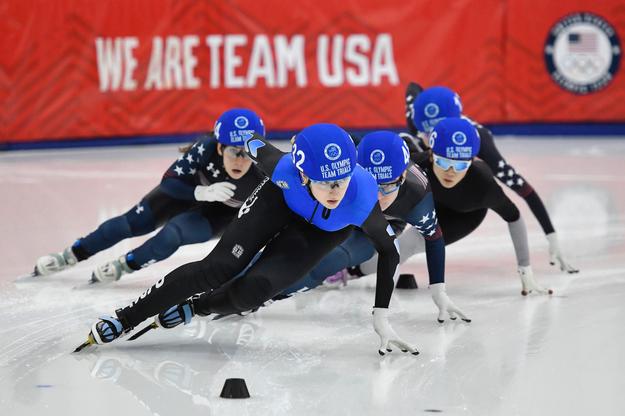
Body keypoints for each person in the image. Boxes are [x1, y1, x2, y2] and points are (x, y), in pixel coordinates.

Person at [78, 123, 418, 356]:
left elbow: (389, 253)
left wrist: (381, 318)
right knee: (219, 267)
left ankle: (195, 308)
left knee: (254, 291)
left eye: (342, 180)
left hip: (319, 233)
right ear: (301, 173)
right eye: (325, 182)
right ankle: (126, 317)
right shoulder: (282, 169)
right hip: (278, 202)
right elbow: (253, 141)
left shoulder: (361, 200)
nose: (335, 191)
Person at [31, 108, 266, 283]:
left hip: (223, 214)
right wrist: (200, 191)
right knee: (130, 223)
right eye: (235, 151)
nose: (241, 160)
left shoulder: (266, 169)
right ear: (219, 148)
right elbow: (169, 182)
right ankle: (70, 255)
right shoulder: (204, 149)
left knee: (172, 235)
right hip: (189, 192)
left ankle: (124, 266)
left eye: (247, 154)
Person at [275, 130, 469, 323]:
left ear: (402, 178)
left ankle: (272, 294)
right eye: (371, 185)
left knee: (332, 261)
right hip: (348, 208)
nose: (377, 197)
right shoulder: (345, 167)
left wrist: (439, 291)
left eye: (387, 187)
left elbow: (434, 238)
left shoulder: (417, 196)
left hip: (382, 224)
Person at [357, 117, 553, 296]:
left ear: (472, 162)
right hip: (427, 203)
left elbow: (514, 217)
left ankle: (354, 272)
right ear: (432, 155)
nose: (450, 172)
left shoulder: (483, 184)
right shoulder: (416, 165)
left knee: (408, 244)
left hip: (463, 216)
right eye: (443, 162)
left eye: (459, 166)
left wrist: (525, 270)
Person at [404, 84, 577, 274]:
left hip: (460, 200)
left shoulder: (480, 143)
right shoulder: (417, 118)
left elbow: (524, 190)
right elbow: (412, 90)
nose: (432, 139)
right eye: (426, 134)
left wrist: (552, 238)